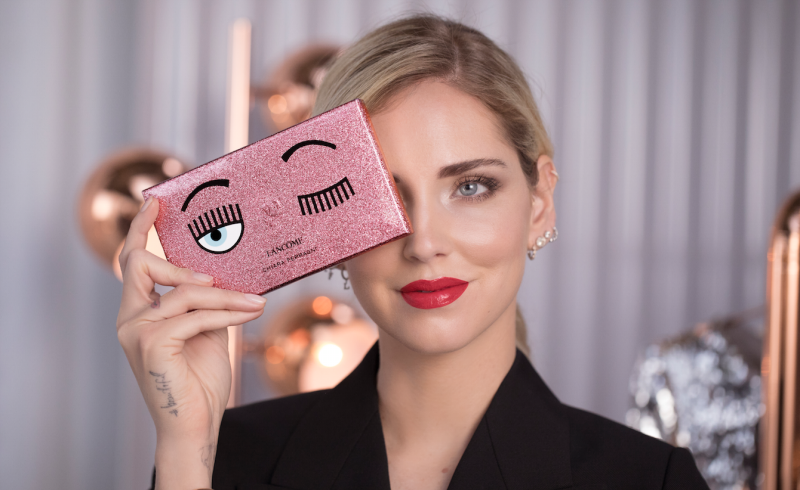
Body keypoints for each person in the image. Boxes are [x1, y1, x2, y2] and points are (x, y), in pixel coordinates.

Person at [117, 14, 709, 490]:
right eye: (385, 196)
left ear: (539, 204)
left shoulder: (649, 480)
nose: (424, 243)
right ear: (328, 228)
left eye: (471, 187)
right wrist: (187, 448)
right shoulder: (225, 459)